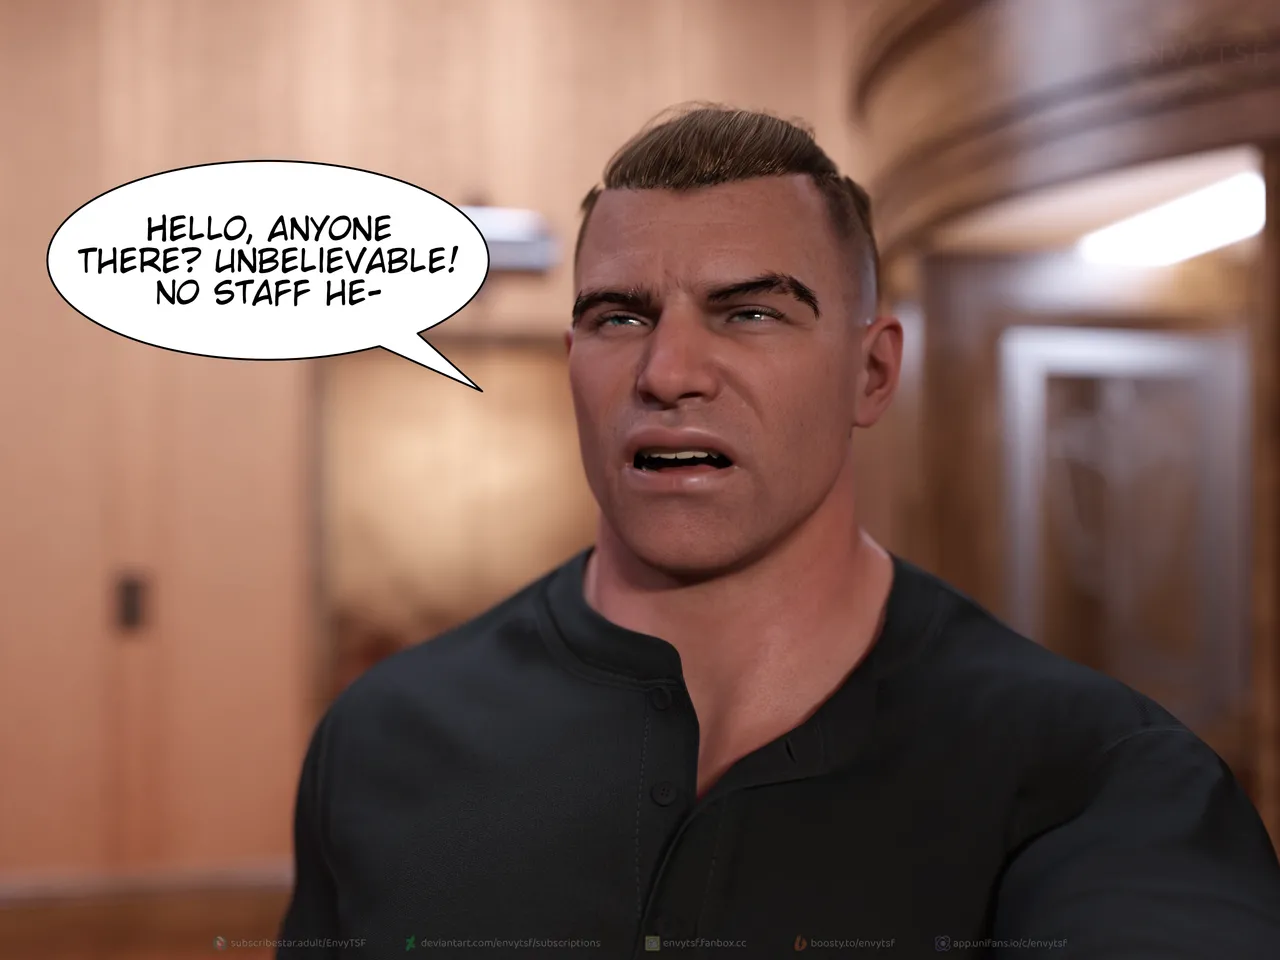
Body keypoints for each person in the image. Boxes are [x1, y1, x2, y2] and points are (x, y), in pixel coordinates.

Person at [278, 104, 1280, 958]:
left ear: (871, 373)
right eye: (620, 317)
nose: (668, 372)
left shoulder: (1098, 774)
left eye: (749, 313)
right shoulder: (381, 741)